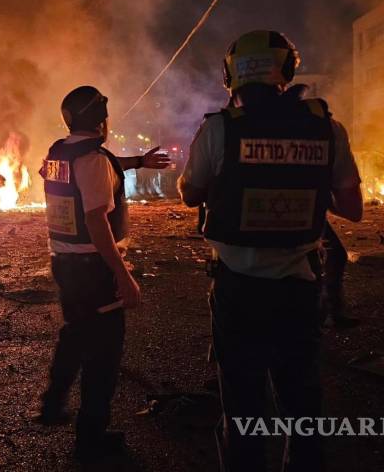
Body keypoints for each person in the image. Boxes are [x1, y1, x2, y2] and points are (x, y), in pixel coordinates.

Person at [178, 30, 363, 472]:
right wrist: (303, 180)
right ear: (287, 70)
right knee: (302, 400)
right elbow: (352, 209)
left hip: (238, 288)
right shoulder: (327, 128)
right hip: (299, 287)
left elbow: (189, 193)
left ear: (230, 76)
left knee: (242, 404)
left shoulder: (219, 129)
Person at [35, 85, 170, 462]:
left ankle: (52, 403)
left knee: (75, 333)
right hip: (93, 269)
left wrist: (139, 161)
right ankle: (90, 440)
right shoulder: (92, 160)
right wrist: (122, 274)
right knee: (103, 356)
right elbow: (96, 219)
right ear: (101, 121)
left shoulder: (59, 153)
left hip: (64, 262)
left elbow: (98, 167)